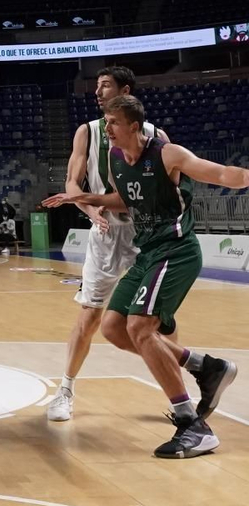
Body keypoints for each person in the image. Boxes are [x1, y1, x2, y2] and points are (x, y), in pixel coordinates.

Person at [43, 94, 243, 458]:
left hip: (176, 249)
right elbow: (127, 198)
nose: (108, 129)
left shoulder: (167, 153)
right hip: (149, 252)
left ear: (135, 126)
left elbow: (222, 175)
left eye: (114, 123)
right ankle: (205, 367)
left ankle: (191, 425)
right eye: (106, 123)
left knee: (140, 327)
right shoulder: (116, 158)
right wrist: (85, 199)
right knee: (114, 327)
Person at [46, 66, 169, 422]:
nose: (97, 92)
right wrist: (90, 211)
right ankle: (65, 390)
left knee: (160, 320)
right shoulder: (88, 131)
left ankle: (182, 389)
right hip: (107, 232)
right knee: (90, 314)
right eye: (96, 87)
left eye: (105, 86)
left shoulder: (156, 135)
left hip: (147, 233)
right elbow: (72, 182)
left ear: (124, 90)